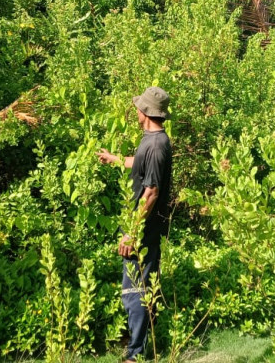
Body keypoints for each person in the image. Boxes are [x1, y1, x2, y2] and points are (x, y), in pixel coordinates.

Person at [97, 86, 173, 363]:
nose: (135, 111)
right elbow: (141, 165)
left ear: (145, 112)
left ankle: (135, 355)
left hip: (142, 230)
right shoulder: (152, 140)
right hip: (143, 228)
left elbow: (151, 192)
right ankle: (142, 345)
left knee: (135, 290)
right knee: (141, 287)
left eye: (138, 107)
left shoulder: (155, 145)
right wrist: (116, 160)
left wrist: (131, 231)